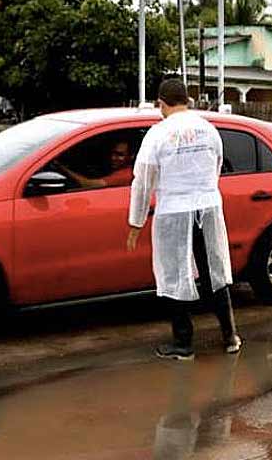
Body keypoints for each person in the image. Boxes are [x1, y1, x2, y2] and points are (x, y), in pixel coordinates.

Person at [127, 78, 241, 360]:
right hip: (209, 207)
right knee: (214, 271)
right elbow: (216, 166)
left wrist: (135, 223)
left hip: (174, 211)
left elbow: (142, 181)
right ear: (188, 100)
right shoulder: (208, 129)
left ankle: (184, 343)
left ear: (161, 104)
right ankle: (230, 336)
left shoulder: (157, 134)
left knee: (174, 273)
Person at [53, 140, 134, 189]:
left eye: (120, 155)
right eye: (112, 153)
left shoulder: (126, 174)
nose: (113, 158)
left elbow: (89, 185)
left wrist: (62, 168)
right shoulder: (119, 170)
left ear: (131, 156)